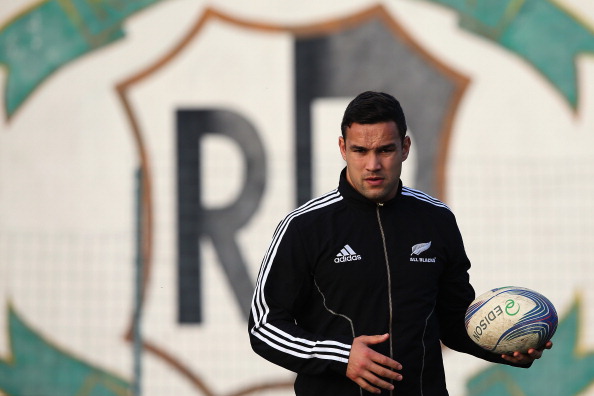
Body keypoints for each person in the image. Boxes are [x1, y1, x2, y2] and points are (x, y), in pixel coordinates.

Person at [248, 91, 552, 395]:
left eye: (385, 150)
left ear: (405, 147)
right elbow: (264, 327)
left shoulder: (436, 219)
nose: (373, 164)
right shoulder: (304, 226)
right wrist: (341, 356)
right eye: (359, 151)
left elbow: (454, 323)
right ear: (342, 148)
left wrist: (506, 347)